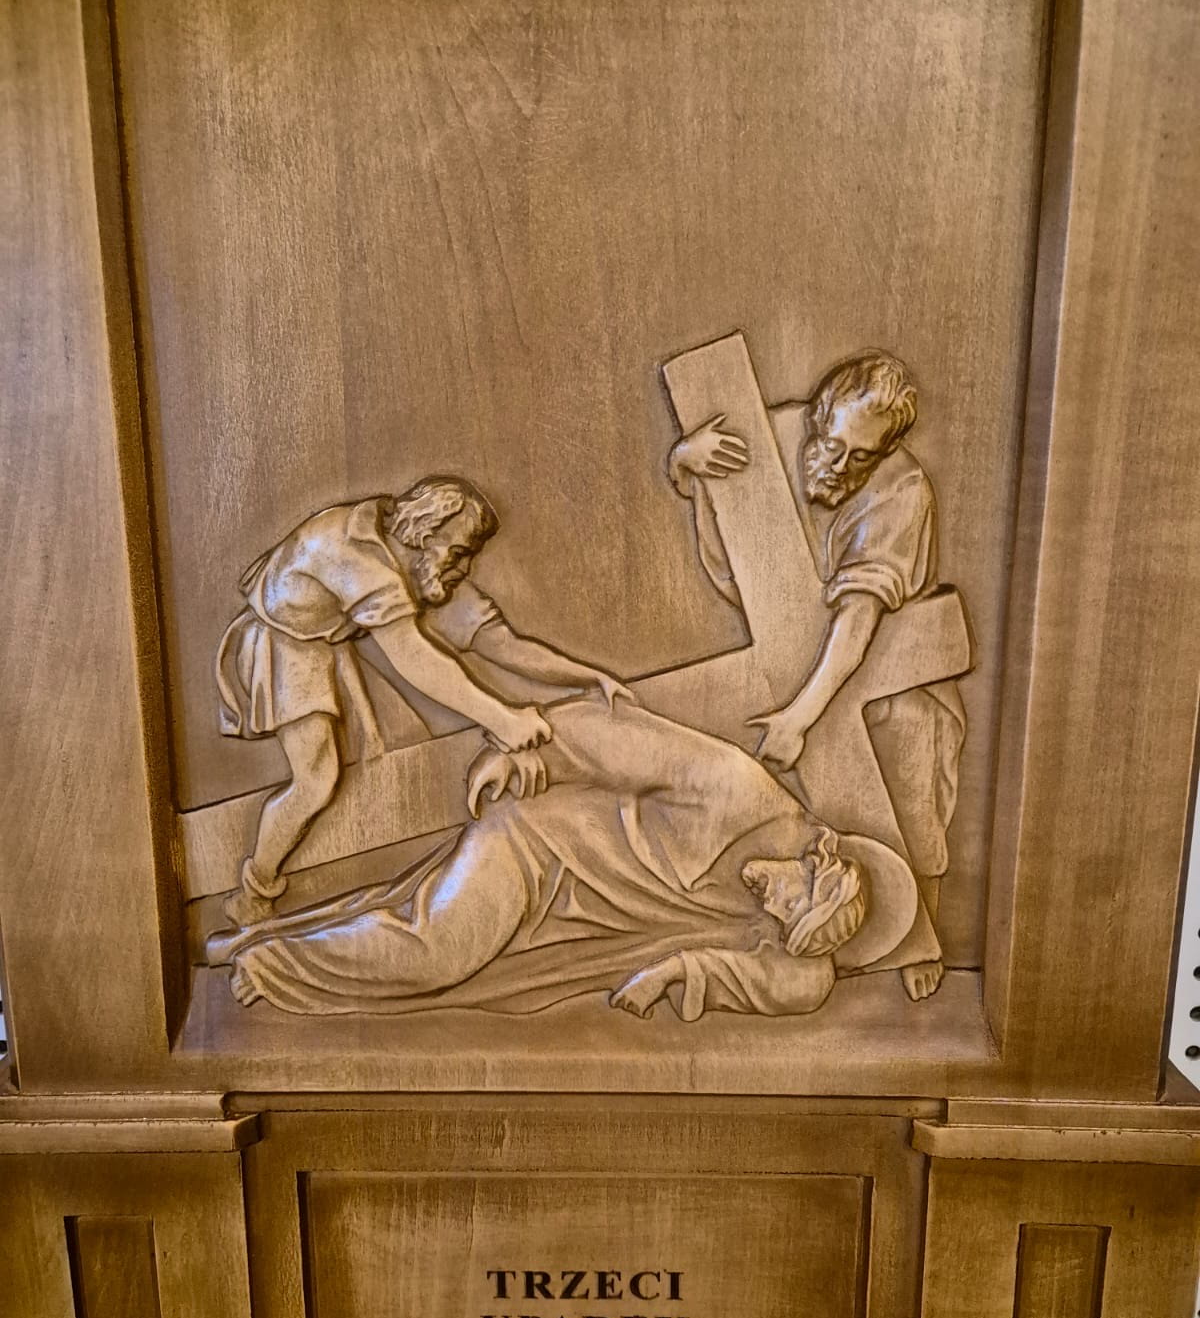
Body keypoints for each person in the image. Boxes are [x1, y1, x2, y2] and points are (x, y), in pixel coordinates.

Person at [206, 697, 920, 1021]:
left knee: (439, 957)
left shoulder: (777, 926)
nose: (771, 905)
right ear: (819, 858)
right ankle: (273, 966)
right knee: (438, 950)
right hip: (533, 850)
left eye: (784, 920)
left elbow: (801, 984)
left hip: (557, 928)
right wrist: (521, 754)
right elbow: (619, 737)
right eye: (792, 898)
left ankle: (278, 948)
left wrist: (674, 971)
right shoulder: (738, 791)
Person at [667, 349, 965, 1001]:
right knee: (813, 809)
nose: (840, 465)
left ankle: (919, 936)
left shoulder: (902, 493)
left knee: (911, 804)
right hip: (788, 661)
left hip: (889, 677)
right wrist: (685, 464)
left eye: (862, 456)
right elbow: (723, 524)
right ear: (818, 415)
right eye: (833, 444)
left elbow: (858, 620)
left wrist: (801, 716)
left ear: (887, 449)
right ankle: (822, 927)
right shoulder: (768, 436)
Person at [215, 475, 628, 927]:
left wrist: (587, 677)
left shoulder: (420, 562)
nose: (465, 567)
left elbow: (497, 642)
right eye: (461, 551)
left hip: (331, 646)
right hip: (285, 645)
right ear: (428, 533)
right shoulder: (360, 556)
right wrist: (502, 719)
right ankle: (254, 892)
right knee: (316, 778)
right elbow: (415, 659)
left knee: (392, 746)